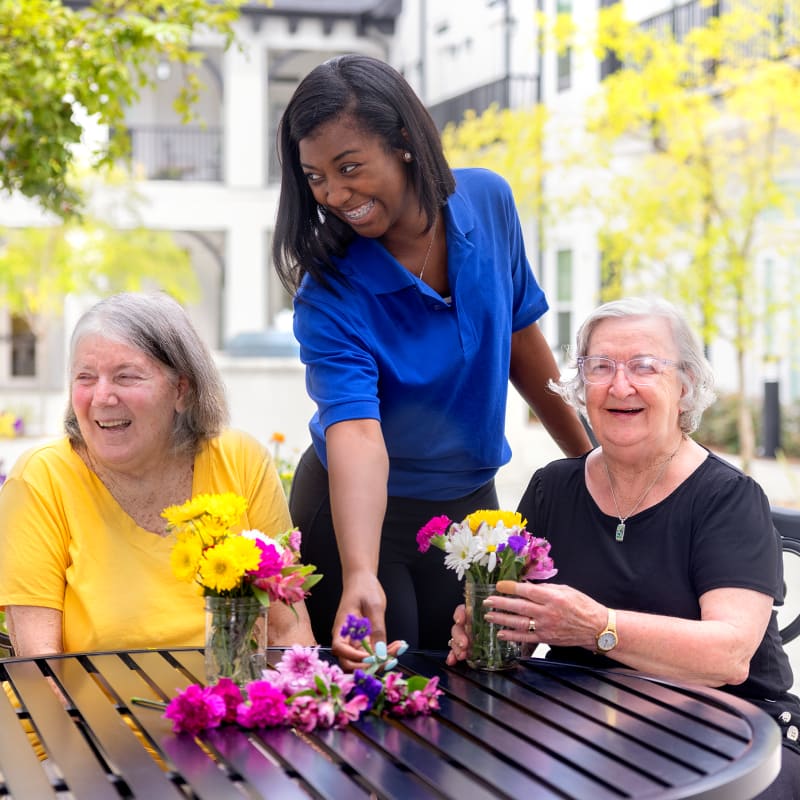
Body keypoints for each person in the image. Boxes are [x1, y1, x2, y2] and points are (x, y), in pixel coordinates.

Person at [271, 54, 592, 669]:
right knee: (383, 701)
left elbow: (523, 345)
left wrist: (589, 460)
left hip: (468, 505)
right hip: (359, 516)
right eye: (315, 178)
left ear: (404, 143)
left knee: (479, 685)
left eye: (350, 168)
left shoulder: (489, 202)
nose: (335, 196)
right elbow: (358, 431)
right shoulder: (330, 291)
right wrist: (361, 570)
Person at [446, 296, 800, 798]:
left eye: (644, 366)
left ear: (685, 386)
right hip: (589, 721)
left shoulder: (728, 497)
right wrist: (492, 629)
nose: (620, 384)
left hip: (739, 736)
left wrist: (597, 629)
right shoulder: (552, 487)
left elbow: (729, 656)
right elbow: (522, 627)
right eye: (600, 366)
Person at [0, 292, 315, 657]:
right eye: (85, 377)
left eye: (126, 377)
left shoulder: (241, 460)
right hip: (93, 711)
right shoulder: (42, 477)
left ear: (182, 389)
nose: (102, 396)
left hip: (232, 709)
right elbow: (39, 667)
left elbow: (289, 630)